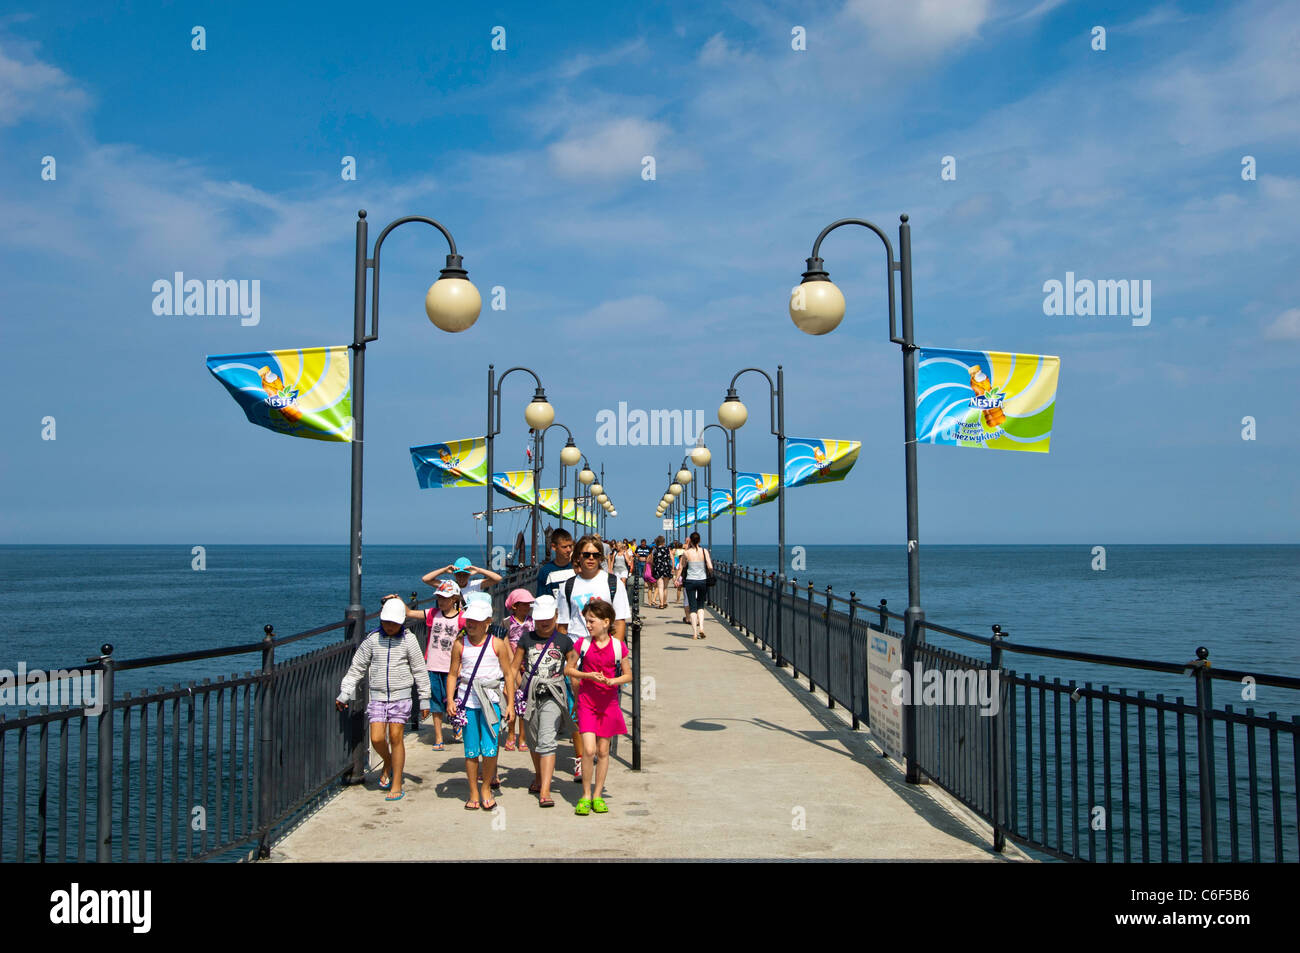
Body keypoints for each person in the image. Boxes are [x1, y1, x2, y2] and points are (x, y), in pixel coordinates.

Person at [335, 597, 431, 802]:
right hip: (378, 696)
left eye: (394, 623)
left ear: (401, 623)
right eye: (387, 622)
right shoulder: (372, 640)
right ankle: (388, 762)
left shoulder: (409, 640)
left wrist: (424, 699)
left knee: (396, 737)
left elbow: (419, 670)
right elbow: (357, 668)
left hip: (401, 695)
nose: (390, 627)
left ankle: (396, 782)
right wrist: (345, 693)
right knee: (377, 738)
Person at [554, 534, 631, 782]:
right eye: (585, 554)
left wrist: (615, 652)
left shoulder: (612, 583)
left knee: (604, 707)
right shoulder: (568, 585)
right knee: (578, 709)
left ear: (602, 556)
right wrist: (566, 658)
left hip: (605, 654)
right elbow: (563, 625)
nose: (590, 559)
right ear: (577, 556)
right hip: (578, 654)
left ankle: (599, 751)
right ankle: (581, 758)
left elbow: (620, 620)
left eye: (595, 555)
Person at [445, 600, 515, 810]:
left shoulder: (497, 644)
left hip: (490, 701)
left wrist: (510, 704)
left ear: (487, 622)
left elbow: (508, 674)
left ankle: (486, 787)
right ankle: (473, 791)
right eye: (469, 620)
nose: (471, 624)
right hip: (468, 701)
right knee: (471, 750)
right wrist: (450, 699)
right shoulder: (460, 644)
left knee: (490, 748)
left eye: (476, 621)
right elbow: (452, 673)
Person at [565, 599, 631, 816]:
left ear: (606, 622)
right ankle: (585, 795)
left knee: (603, 751)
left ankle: (598, 795)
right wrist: (587, 675)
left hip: (608, 703)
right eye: (586, 621)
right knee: (589, 750)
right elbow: (569, 669)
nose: (588, 625)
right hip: (587, 702)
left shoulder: (617, 647)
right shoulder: (582, 644)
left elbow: (628, 674)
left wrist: (614, 681)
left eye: (592, 621)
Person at [513, 595, 574, 807]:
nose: (544, 623)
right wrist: (516, 688)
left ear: (556, 616)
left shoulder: (564, 641)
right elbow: (514, 667)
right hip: (530, 695)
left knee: (547, 740)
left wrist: (573, 685)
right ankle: (538, 776)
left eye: (548, 618)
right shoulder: (526, 639)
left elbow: (572, 664)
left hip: (553, 696)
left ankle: (545, 790)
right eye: (540, 619)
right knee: (533, 740)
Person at [385, 580, 461, 750]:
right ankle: (439, 737)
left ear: (454, 599)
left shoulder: (461, 618)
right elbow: (409, 613)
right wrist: (397, 600)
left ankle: (457, 725)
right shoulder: (433, 613)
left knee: (455, 700)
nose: (441, 601)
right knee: (435, 703)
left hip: (453, 668)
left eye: (445, 598)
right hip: (433, 665)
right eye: (439, 597)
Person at [501, 588, 535, 752]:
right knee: (512, 701)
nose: (528, 606)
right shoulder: (506, 622)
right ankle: (510, 734)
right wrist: (511, 663)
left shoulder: (533, 622)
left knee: (524, 703)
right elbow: (504, 643)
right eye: (524, 604)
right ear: (515, 606)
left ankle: (522, 736)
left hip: (528, 666)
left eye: (529, 603)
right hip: (511, 666)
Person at [678, 531, 714, 640]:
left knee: (692, 607)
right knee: (701, 606)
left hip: (690, 581)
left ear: (691, 541)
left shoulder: (686, 553)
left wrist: (676, 579)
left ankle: (694, 633)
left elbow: (682, 567)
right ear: (699, 540)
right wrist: (711, 574)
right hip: (702, 581)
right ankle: (701, 628)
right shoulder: (704, 551)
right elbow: (710, 566)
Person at [424, 557, 502, 596]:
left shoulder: (475, 585)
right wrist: (444, 570)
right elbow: (426, 579)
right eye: (459, 574)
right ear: (454, 574)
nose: (461, 578)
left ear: (469, 575)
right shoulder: (448, 585)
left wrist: (478, 570)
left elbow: (498, 579)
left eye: (465, 575)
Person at [535, 528, 575, 599]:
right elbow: (542, 601)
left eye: (570, 546)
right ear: (554, 547)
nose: (569, 550)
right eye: (564, 547)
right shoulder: (545, 572)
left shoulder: (577, 568)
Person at [649, 536, 673, 609]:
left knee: (660, 587)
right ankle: (665, 602)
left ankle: (661, 604)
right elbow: (671, 558)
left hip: (658, 569)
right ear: (663, 542)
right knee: (665, 587)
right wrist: (672, 568)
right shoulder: (667, 549)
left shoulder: (654, 550)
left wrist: (652, 568)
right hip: (666, 568)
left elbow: (651, 561)